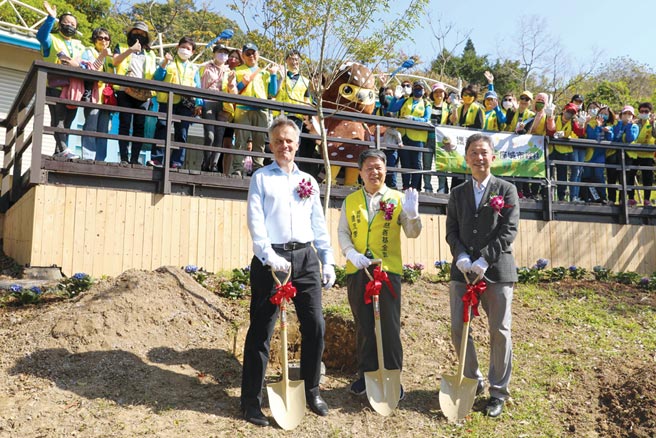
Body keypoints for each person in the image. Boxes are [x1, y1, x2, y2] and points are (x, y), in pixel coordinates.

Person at [241, 116, 336, 426]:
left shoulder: (308, 180)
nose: (285, 146)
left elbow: (318, 223)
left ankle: (311, 391)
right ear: (271, 144)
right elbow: (256, 221)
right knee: (262, 330)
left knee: (315, 325)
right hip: (272, 259)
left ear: (297, 144)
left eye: (290, 141)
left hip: (306, 257)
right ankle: (251, 403)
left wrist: (327, 258)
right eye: (279, 140)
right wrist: (268, 254)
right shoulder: (261, 178)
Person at [445, 133, 520, 418]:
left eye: (483, 152)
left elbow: (509, 230)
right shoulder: (457, 193)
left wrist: (485, 258)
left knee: (499, 331)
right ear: (466, 158)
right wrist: (462, 255)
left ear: (493, 157)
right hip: (462, 271)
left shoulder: (507, 189)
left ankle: (498, 391)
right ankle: (472, 379)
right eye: (473, 153)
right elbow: (451, 228)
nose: (479, 157)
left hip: (497, 271)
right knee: (458, 327)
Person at [337, 148, 421, 400]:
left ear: (386, 171)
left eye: (379, 168)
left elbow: (412, 232)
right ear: (360, 172)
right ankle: (367, 375)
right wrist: (351, 254)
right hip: (358, 270)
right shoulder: (350, 201)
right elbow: (343, 233)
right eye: (369, 168)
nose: (375, 172)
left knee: (389, 326)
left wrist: (414, 214)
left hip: (387, 272)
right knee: (363, 325)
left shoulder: (397, 198)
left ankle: (393, 375)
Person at [36, 1, 84, 159]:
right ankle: (64, 149)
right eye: (67, 22)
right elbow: (41, 36)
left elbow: (84, 64)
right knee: (59, 119)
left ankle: (60, 151)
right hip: (55, 84)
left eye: (73, 24)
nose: (70, 25)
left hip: (74, 87)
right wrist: (51, 18)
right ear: (60, 24)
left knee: (68, 122)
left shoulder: (79, 44)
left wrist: (77, 64)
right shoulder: (52, 38)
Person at [151, 36, 203, 168]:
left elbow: (197, 87)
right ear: (177, 47)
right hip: (167, 101)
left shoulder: (194, 68)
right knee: (162, 128)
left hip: (185, 103)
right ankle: (157, 158)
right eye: (183, 47)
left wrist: (199, 103)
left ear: (192, 52)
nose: (185, 50)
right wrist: (164, 63)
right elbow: (157, 77)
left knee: (182, 133)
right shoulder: (169, 63)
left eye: (188, 49)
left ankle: (176, 162)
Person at [230, 42, 279, 176]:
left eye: (253, 53)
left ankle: (258, 168)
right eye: (248, 53)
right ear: (243, 56)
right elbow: (233, 91)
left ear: (258, 54)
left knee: (260, 141)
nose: (251, 56)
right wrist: (242, 83)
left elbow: (272, 92)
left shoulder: (265, 73)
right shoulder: (237, 71)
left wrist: (274, 75)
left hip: (261, 109)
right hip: (242, 108)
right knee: (240, 139)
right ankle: (237, 169)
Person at [113, 21, 157, 164]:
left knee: (140, 125)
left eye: (142, 33)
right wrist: (130, 50)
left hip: (143, 94)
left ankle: (135, 158)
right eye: (136, 32)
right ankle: (124, 158)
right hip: (125, 90)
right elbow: (115, 61)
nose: (138, 35)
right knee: (125, 123)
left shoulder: (151, 54)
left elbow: (154, 74)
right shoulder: (121, 47)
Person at [275, 50, 318, 178]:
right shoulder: (281, 77)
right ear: (287, 60)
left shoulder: (305, 81)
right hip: (282, 115)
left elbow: (307, 100)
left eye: (296, 59)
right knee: (280, 142)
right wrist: (281, 77)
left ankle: (293, 170)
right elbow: (274, 92)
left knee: (294, 144)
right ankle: (278, 167)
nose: (294, 62)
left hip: (297, 117)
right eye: (291, 59)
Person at [388, 80, 432, 190]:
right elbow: (391, 109)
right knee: (405, 163)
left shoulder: (426, 104)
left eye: (420, 88)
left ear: (423, 90)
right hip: (403, 136)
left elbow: (427, 119)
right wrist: (396, 98)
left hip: (418, 138)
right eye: (416, 88)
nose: (418, 90)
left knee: (416, 163)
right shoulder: (406, 100)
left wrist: (413, 119)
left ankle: (414, 186)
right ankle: (406, 186)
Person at [200, 44, 237, 172]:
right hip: (209, 102)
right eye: (220, 52)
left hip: (224, 104)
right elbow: (200, 85)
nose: (223, 55)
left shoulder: (230, 71)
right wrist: (199, 103)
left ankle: (213, 164)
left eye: (225, 53)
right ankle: (206, 161)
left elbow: (234, 92)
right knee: (209, 134)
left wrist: (232, 83)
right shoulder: (206, 68)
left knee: (219, 136)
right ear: (214, 53)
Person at [80, 27, 114, 161]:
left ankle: (100, 159)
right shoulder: (88, 52)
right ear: (95, 40)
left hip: (106, 97)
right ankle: (88, 158)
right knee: (91, 126)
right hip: (92, 93)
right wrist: (102, 56)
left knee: (103, 130)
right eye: (100, 38)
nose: (104, 41)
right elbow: (88, 69)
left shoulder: (111, 57)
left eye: (107, 38)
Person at [546, 103, 585, 202]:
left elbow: (579, 133)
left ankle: (561, 197)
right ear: (564, 110)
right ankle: (547, 196)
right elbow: (550, 131)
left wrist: (581, 125)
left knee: (562, 175)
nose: (569, 114)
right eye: (568, 111)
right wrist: (550, 118)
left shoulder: (573, 122)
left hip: (564, 151)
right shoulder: (555, 118)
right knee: (548, 173)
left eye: (572, 113)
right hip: (550, 149)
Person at [216, 48, 243, 174]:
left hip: (233, 112)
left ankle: (225, 172)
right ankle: (210, 165)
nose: (233, 59)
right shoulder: (220, 69)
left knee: (227, 143)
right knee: (215, 139)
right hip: (219, 109)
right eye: (231, 56)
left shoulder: (241, 73)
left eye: (236, 58)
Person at [583, 105, 614, 203]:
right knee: (587, 176)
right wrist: (598, 126)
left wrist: (608, 131)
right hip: (589, 155)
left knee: (598, 176)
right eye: (601, 113)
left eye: (606, 114)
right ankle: (589, 197)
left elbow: (611, 139)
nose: (603, 115)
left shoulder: (610, 126)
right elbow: (592, 137)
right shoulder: (591, 124)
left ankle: (602, 197)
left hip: (600, 156)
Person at [628, 102, 656, 206]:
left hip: (647, 154)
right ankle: (631, 198)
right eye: (642, 111)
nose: (644, 113)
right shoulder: (635, 123)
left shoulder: (652, 123)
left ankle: (647, 199)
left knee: (647, 177)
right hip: (634, 153)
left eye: (646, 111)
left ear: (650, 112)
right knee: (630, 175)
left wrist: (653, 123)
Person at [611, 105, 640, 205]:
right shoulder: (617, 125)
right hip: (616, 154)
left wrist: (628, 126)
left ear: (633, 116)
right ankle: (611, 199)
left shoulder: (635, 126)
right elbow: (615, 138)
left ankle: (622, 199)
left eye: (629, 114)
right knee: (612, 177)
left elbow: (630, 138)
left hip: (629, 156)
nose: (627, 116)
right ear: (621, 115)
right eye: (625, 113)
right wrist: (620, 126)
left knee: (624, 179)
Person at [426, 82, 450, 193]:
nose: (438, 94)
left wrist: (454, 107)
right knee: (426, 165)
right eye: (436, 92)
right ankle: (427, 188)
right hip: (427, 138)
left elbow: (453, 121)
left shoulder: (448, 107)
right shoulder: (427, 105)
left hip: (441, 140)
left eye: (441, 91)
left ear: (445, 94)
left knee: (441, 165)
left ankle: (441, 188)